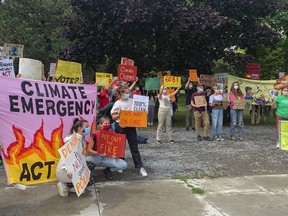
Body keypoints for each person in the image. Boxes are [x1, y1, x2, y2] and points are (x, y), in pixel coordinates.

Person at [111, 84, 148, 177]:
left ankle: (139, 166)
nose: (128, 94)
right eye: (126, 93)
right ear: (121, 93)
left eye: (129, 93)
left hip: (131, 126)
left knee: (134, 146)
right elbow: (113, 117)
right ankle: (120, 164)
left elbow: (140, 111)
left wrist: (144, 112)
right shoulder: (117, 103)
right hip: (120, 126)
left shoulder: (133, 101)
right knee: (120, 146)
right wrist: (119, 114)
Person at [56, 119, 95, 197]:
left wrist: (84, 152)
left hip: (76, 166)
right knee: (89, 181)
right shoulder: (72, 140)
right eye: (86, 127)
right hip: (65, 171)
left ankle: (71, 184)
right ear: (79, 129)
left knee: (91, 165)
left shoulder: (82, 137)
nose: (88, 128)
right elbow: (69, 157)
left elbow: (80, 154)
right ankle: (66, 184)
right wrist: (68, 170)